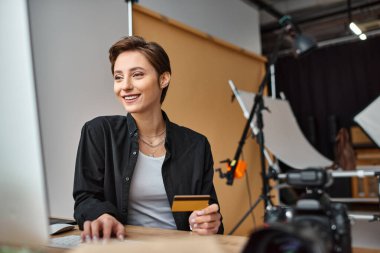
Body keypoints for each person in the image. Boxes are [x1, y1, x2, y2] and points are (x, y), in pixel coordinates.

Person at [73, 36, 223, 241]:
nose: (124, 86)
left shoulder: (196, 145)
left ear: (163, 79)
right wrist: (102, 215)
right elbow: (85, 198)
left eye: (137, 75)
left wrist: (208, 222)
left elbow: (204, 208)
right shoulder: (99, 132)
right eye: (118, 77)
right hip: (124, 246)